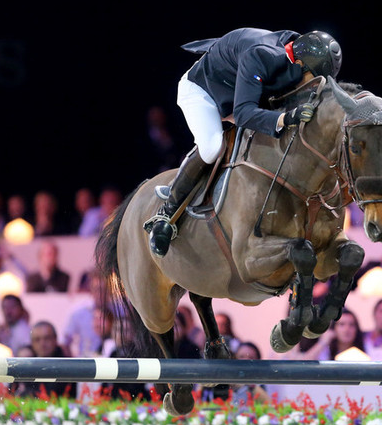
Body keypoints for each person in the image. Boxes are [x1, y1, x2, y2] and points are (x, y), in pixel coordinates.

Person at [145, 28, 342, 258]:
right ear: (298, 63)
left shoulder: (300, 52)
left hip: (243, 89)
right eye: (312, 77)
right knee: (212, 148)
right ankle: (166, 214)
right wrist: (284, 118)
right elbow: (244, 113)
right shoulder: (261, 54)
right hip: (205, 92)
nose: (311, 85)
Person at [13, 321, 77, 399]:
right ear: (32, 343)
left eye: (47, 338)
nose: (42, 343)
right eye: (37, 340)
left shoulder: (68, 367)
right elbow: (11, 393)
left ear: (55, 339)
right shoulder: (26, 363)